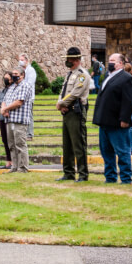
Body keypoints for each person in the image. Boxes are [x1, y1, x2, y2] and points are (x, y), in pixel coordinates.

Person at [92, 53, 132, 184]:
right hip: (105, 120)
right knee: (106, 151)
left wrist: (125, 119)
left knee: (122, 151)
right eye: (109, 60)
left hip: (117, 122)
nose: (110, 63)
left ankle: (126, 178)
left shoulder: (126, 78)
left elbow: (129, 100)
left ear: (121, 63)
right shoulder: (107, 76)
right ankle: (110, 177)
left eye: (113, 61)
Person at [55, 47, 91, 182]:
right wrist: (61, 103)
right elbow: (64, 91)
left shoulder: (82, 75)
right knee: (67, 144)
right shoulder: (69, 74)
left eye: (69, 59)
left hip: (76, 111)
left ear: (76, 60)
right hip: (67, 111)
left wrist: (62, 103)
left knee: (78, 143)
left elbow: (76, 93)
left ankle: (83, 173)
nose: (67, 61)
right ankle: (68, 172)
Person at [0, 66, 34, 173]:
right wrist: (3, 108)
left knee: (20, 144)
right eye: (13, 74)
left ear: (22, 75)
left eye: (16, 74)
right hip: (10, 120)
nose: (13, 76)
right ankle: (14, 166)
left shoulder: (25, 86)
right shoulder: (12, 87)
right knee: (11, 145)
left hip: (20, 119)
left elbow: (19, 102)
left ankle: (23, 167)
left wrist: (6, 108)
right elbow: (5, 99)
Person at [0, 72, 14, 170]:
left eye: (7, 78)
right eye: (4, 78)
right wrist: (2, 110)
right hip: (2, 117)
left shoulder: (13, 89)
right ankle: (8, 162)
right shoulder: (4, 90)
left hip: (10, 117)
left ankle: (13, 161)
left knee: (10, 140)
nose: (5, 80)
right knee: (5, 140)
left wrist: (6, 109)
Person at [19, 53, 37, 140]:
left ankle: (30, 134)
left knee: (29, 115)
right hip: (22, 96)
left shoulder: (31, 70)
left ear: (26, 60)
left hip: (29, 96)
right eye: (20, 60)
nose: (20, 61)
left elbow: (30, 83)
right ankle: (24, 133)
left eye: (22, 60)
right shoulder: (21, 70)